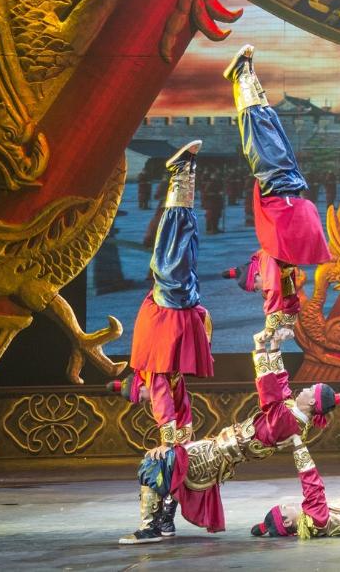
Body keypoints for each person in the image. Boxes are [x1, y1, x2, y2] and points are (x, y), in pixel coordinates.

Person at [118, 328, 340, 543]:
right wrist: (276, 346)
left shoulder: (288, 421)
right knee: (175, 471)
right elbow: (281, 383)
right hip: (219, 449)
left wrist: (260, 348)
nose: (305, 389)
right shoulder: (294, 414)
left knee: (157, 463)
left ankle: (149, 528)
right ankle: (166, 523)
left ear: (312, 402)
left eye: (310, 390)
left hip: (215, 455)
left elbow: (270, 392)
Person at [125, 138, 214, 541]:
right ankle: (161, 522)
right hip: (175, 313)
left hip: (169, 314)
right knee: (181, 250)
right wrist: (178, 431)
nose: (143, 394)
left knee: (174, 253)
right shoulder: (158, 377)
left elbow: (161, 394)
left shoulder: (153, 374)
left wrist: (170, 431)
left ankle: (182, 173)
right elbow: (170, 397)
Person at [224, 44, 331, 340]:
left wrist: (274, 325)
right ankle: (246, 74)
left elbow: (273, 292)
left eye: (255, 286)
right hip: (288, 185)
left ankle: (241, 75)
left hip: (277, 184)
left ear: (256, 275)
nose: (260, 288)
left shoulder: (269, 259)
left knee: (257, 127)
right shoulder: (279, 264)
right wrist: (286, 322)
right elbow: (285, 292)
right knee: (269, 122)